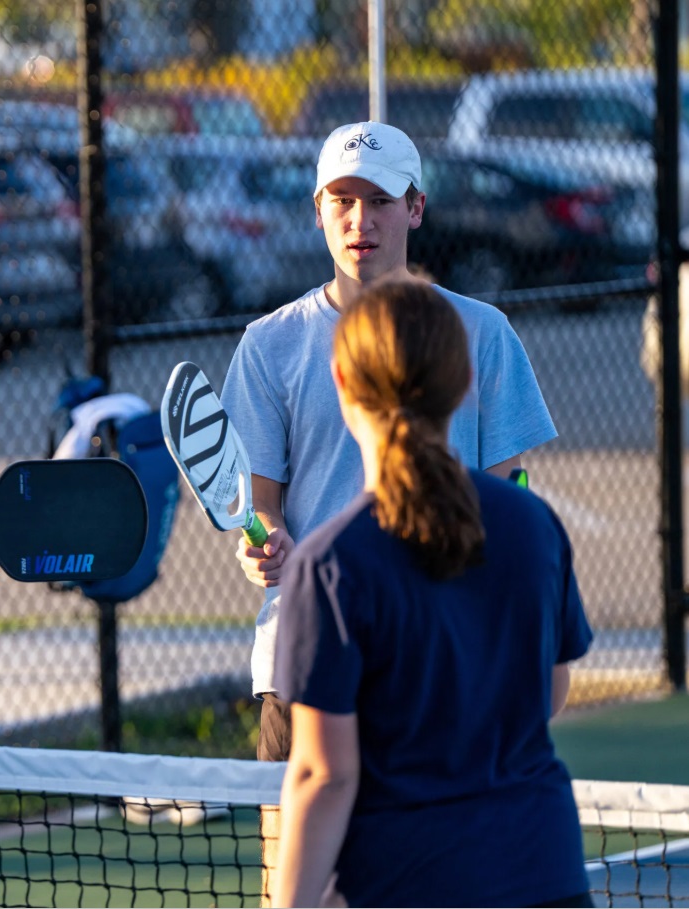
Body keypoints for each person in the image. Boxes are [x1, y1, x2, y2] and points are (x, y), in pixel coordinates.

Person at [220, 121, 558, 893]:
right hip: (305, 651)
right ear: (316, 210)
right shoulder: (269, 345)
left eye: (379, 200)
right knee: (298, 877)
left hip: (444, 655)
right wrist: (263, 543)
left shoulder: (485, 334)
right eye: (341, 200)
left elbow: (507, 499)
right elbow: (261, 508)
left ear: (416, 208)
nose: (359, 220)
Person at [270, 278, 593, 908]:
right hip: (548, 874)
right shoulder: (536, 526)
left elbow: (322, 775)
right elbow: (549, 693)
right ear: (465, 380)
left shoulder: (331, 565)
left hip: (409, 883)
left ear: (340, 379)